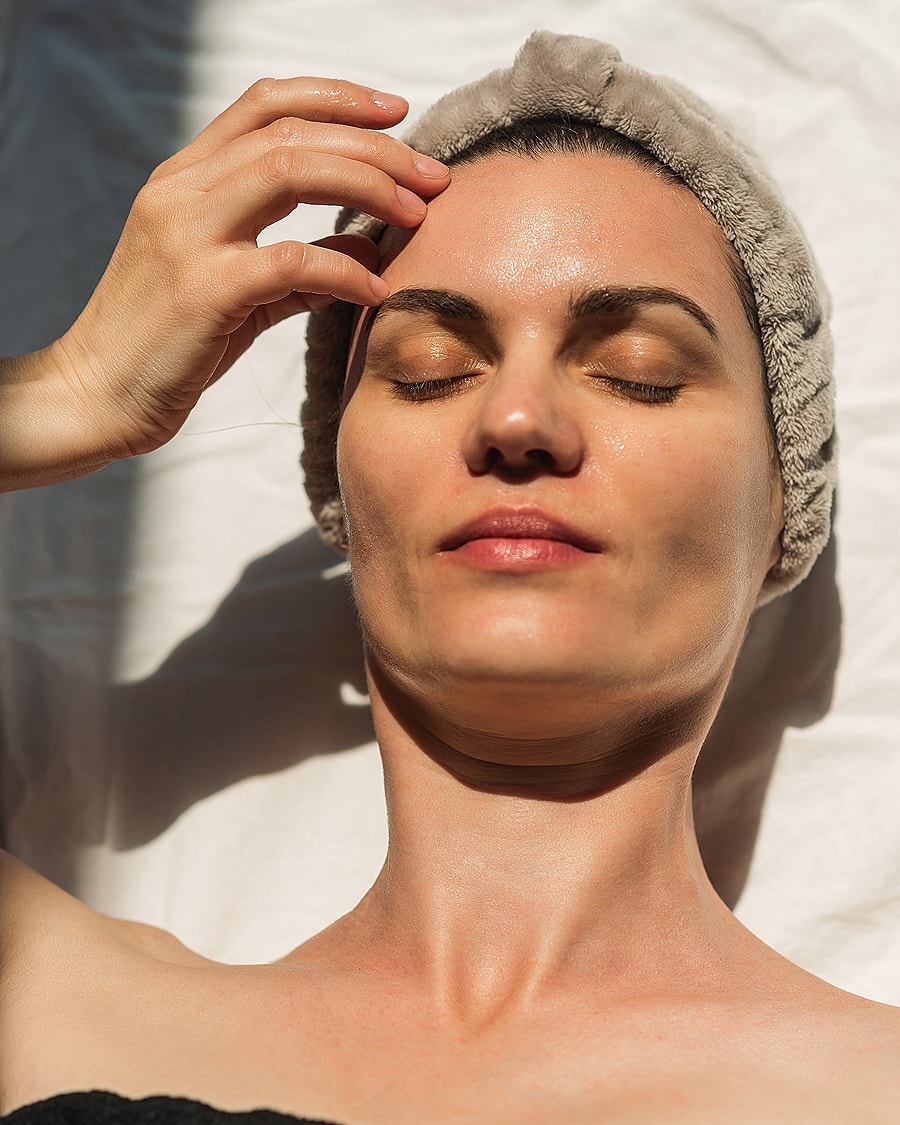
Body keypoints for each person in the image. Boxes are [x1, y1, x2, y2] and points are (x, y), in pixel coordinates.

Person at [0, 31, 897, 1125]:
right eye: (429, 373)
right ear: (346, 488)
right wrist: (64, 390)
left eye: (638, 373)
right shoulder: (47, 1005)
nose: (516, 421)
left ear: (780, 504)